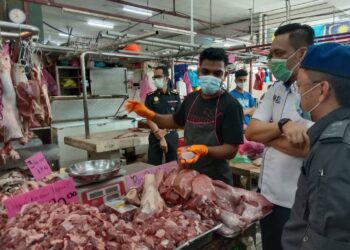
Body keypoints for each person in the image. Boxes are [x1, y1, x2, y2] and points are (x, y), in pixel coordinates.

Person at [126, 48, 243, 185]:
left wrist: (204, 150)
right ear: (198, 72)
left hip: (216, 180)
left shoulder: (231, 105)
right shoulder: (191, 99)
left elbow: (231, 150)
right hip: (189, 176)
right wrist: (150, 114)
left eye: (217, 73)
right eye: (205, 72)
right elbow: (174, 121)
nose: (210, 76)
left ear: (225, 75)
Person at [245, 23, 315, 250]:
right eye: (271, 53)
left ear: (301, 53)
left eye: (279, 53)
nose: (272, 60)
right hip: (266, 194)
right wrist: (283, 126)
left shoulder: (317, 92)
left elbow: (310, 148)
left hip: (295, 202)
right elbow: (252, 131)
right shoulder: (276, 89)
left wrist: (268, 135)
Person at [282, 43, 350, 250]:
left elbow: (328, 240)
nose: (298, 93)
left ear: (322, 90)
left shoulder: (335, 150)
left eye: (301, 86)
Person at [145, 66, 181, 165]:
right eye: (154, 77)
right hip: (155, 135)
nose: (156, 79)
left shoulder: (175, 95)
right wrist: (160, 137)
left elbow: (178, 118)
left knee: (173, 166)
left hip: (171, 135)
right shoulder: (150, 96)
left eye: (158, 77)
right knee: (153, 167)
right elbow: (149, 118)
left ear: (166, 78)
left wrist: (165, 132)